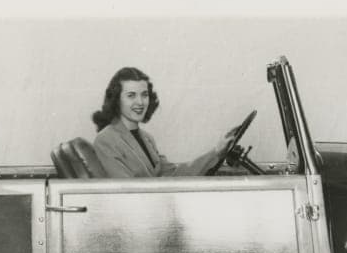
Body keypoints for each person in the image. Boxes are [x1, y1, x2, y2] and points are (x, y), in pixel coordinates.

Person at [91, 67, 237, 178]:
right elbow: (125, 192)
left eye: (144, 95)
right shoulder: (105, 140)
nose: (140, 102)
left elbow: (173, 174)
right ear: (116, 100)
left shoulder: (147, 138)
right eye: (131, 96)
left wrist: (216, 152)